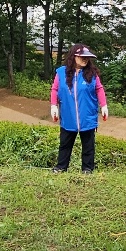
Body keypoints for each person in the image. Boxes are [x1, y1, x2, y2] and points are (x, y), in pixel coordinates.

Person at [50, 44, 109, 172]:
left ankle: (87, 169)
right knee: (65, 144)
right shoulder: (61, 72)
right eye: (82, 57)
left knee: (88, 146)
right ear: (74, 56)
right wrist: (53, 105)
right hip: (68, 116)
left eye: (87, 57)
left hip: (87, 117)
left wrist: (103, 105)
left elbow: (99, 89)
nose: (85, 59)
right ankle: (61, 168)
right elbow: (55, 89)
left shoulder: (92, 74)